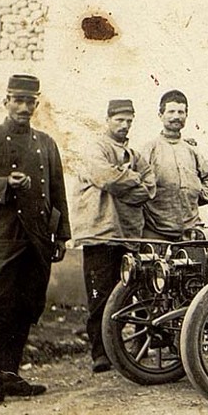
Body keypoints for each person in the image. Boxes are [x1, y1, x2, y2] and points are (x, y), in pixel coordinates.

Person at [0, 74, 71, 406]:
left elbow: (57, 193)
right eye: (18, 101)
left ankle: (10, 376)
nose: (24, 107)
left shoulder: (47, 143)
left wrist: (62, 235)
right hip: (1, 238)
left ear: (37, 105)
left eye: (30, 102)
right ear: (6, 101)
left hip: (37, 237)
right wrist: (5, 184)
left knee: (25, 306)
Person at [73, 99, 156, 373]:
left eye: (129, 120)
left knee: (135, 292)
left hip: (129, 234)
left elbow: (150, 187)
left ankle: (131, 350)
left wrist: (126, 181)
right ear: (108, 119)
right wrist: (132, 180)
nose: (124, 125)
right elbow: (105, 177)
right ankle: (100, 354)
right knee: (100, 296)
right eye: (119, 120)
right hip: (99, 232)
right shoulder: (95, 147)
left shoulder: (134, 153)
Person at [142, 89, 208, 240]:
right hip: (156, 231)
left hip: (190, 231)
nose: (176, 116)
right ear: (160, 115)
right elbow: (138, 185)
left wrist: (196, 196)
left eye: (181, 112)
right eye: (171, 111)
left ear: (186, 115)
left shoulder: (192, 150)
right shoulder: (149, 149)